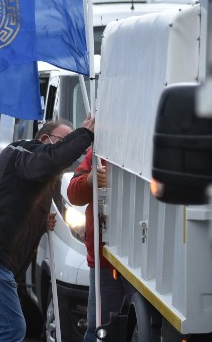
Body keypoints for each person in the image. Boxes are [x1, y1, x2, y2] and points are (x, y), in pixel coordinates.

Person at [0, 116, 95, 342]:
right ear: (46, 139)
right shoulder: (23, 152)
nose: (69, 149)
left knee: (7, 328)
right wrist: (84, 135)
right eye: (63, 140)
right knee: (10, 329)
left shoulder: (35, 171)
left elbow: (15, 207)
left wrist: (39, 222)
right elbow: (52, 159)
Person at [67, 146, 129, 342]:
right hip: (105, 258)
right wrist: (89, 181)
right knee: (100, 330)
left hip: (143, 260)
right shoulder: (99, 150)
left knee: (103, 331)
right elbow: (73, 194)